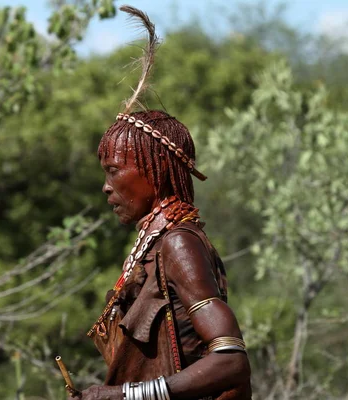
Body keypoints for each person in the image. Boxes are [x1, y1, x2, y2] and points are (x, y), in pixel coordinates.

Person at [69, 6, 251, 400]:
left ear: (154, 173)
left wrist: (124, 396)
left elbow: (231, 360)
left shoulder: (178, 243)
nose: (106, 187)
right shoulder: (152, 249)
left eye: (115, 171)